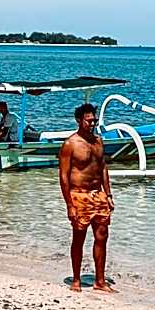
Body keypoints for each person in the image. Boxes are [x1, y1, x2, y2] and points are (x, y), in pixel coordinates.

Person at [58, 102, 115, 293]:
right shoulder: (70, 144)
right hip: (78, 195)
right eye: (88, 121)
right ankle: (76, 279)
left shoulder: (98, 141)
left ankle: (100, 281)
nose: (92, 124)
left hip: (97, 195)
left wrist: (108, 194)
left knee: (102, 236)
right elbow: (64, 176)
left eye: (94, 120)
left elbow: (103, 168)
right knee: (79, 237)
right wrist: (69, 205)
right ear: (79, 120)